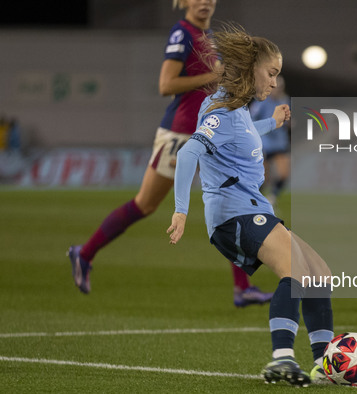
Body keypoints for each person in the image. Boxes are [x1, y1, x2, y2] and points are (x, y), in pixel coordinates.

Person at [67, 0, 274, 307]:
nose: (205, 2)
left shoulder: (211, 36)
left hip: (211, 130)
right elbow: (166, 84)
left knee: (231, 199)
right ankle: (84, 254)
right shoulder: (183, 34)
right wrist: (213, 77)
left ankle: (242, 287)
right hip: (181, 133)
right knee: (145, 204)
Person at [167, 25, 334, 386]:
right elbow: (189, 152)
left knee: (320, 275)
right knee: (297, 273)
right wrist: (181, 209)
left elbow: (240, 134)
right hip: (235, 214)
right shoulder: (223, 110)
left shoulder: (239, 109)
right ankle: (282, 359)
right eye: (271, 73)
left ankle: (326, 365)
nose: (274, 83)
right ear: (251, 69)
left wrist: (270, 122)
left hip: (252, 210)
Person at [249, 75, 291, 207]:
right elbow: (250, 121)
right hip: (264, 143)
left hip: (280, 143)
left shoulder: (285, 100)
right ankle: (256, 202)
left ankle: (272, 196)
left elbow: (288, 119)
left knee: (284, 173)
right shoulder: (261, 102)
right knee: (263, 178)